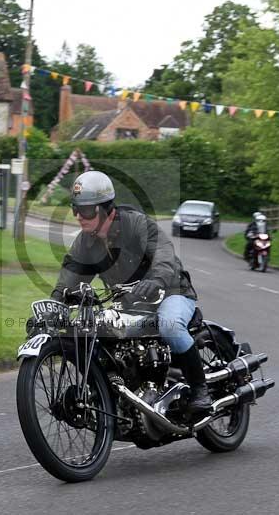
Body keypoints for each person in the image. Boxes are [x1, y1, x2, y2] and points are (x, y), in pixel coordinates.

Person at [50, 170, 212, 415]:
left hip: (170, 292)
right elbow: (70, 276)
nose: (78, 216)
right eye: (75, 209)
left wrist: (156, 280)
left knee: (169, 325)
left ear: (105, 209)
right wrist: (55, 305)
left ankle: (201, 390)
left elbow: (163, 252)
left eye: (85, 210)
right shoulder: (86, 242)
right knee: (96, 333)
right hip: (129, 303)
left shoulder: (135, 223)